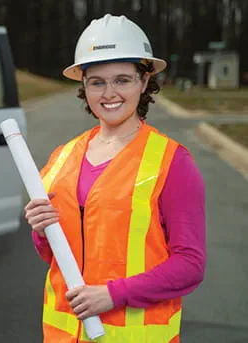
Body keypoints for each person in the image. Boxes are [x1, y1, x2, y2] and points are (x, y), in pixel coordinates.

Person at [24, 13, 206, 343]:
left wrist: (113, 294)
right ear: (84, 85)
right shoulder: (63, 156)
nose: (109, 93)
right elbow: (53, 255)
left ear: (144, 81)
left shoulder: (171, 161)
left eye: (122, 79)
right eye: (97, 81)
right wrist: (40, 231)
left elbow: (190, 265)